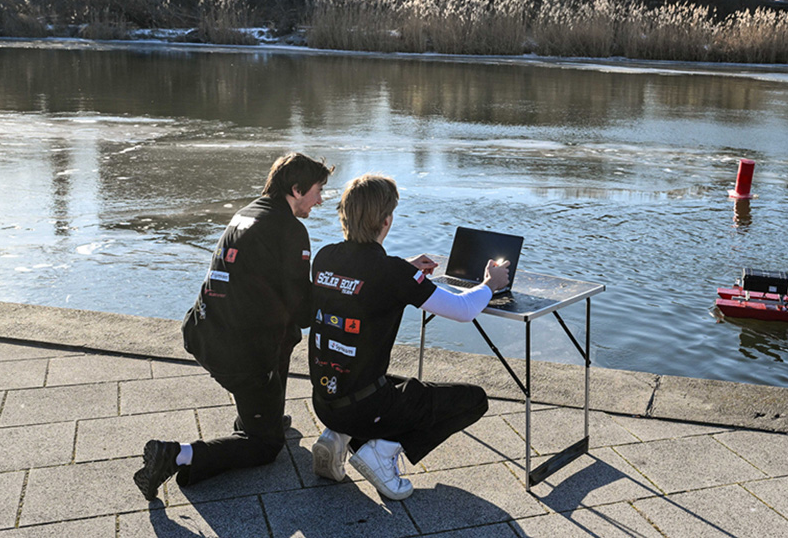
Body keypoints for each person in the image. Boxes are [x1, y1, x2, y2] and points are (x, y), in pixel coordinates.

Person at [134, 152, 334, 500]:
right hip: (238, 352)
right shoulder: (290, 230)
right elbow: (302, 310)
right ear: (297, 189)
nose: (320, 200)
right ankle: (174, 454)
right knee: (265, 445)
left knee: (285, 334)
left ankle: (262, 413)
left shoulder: (248, 212)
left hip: (203, 331)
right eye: (318, 191)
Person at [307, 173, 509, 500]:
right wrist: (490, 284)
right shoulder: (393, 274)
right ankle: (381, 452)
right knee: (473, 400)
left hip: (323, 401)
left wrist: (406, 269)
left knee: (387, 384)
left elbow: (361, 279)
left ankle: (338, 435)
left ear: (344, 215)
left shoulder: (325, 257)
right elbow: (463, 309)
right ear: (386, 221)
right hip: (366, 407)